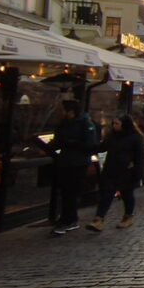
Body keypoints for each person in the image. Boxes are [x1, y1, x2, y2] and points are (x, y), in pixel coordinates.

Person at [49, 99, 99, 235]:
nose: (60, 112)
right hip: (65, 162)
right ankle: (68, 217)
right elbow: (57, 141)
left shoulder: (85, 124)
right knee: (65, 191)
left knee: (72, 191)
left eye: (62, 110)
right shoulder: (63, 124)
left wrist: (70, 143)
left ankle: (68, 220)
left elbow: (91, 144)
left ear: (70, 112)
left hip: (78, 163)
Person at [89, 115, 144, 231]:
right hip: (111, 170)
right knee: (106, 195)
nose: (114, 126)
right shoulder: (112, 136)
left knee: (127, 195)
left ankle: (128, 216)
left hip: (127, 172)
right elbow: (102, 147)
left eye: (117, 124)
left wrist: (138, 173)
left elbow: (140, 157)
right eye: (113, 123)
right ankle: (98, 219)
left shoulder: (135, 137)